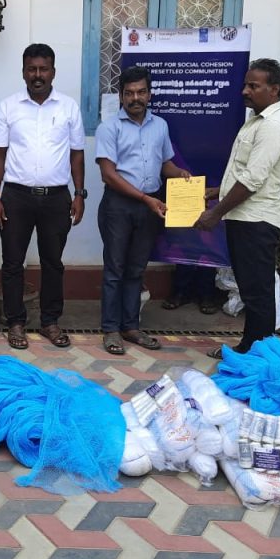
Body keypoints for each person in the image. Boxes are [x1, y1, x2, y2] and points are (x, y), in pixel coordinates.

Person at [193, 58, 280, 359]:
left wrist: (215, 212)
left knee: (257, 290)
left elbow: (252, 180)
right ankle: (251, 348)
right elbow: (244, 173)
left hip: (257, 221)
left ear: (274, 89)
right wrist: (216, 192)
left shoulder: (273, 127)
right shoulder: (257, 120)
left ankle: (258, 354)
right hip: (245, 218)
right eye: (246, 85)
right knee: (251, 287)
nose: (245, 91)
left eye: (253, 86)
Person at [0, 43, 86, 351]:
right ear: (23, 72)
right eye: (32, 69)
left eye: (43, 69)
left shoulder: (68, 107)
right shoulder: (9, 106)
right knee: (12, 262)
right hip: (15, 197)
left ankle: (50, 321)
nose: (37, 75)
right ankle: (15, 322)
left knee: (53, 262)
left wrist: (79, 193)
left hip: (56, 198)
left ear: (53, 72)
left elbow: (77, 155)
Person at [96, 66, 190, 355]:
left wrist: (180, 173)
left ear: (149, 94)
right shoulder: (109, 128)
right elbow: (108, 174)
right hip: (118, 206)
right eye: (129, 93)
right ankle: (111, 330)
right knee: (115, 269)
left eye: (141, 92)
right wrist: (144, 199)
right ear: (121, 96)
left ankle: (131, 327)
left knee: (136, 269)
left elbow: (164, 163)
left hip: (150, 207)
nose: (135, 98)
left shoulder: (160, 126)